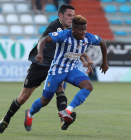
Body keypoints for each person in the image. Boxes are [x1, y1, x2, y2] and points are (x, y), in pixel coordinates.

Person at [0, 4, 92, 133]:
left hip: (57, 66)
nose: (71, 18)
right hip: (41, 64)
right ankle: (6, 119)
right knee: (23, 97)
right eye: (69, 15)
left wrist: (82, 57)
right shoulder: (56, 26)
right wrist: (39, 54)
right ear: (61, 15)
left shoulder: (71, 30)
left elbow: (72, 46)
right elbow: (44, 40)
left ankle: (64, 118)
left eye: (73, 16)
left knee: (59, 90)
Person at [24, 15, 109, 131]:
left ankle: (67, 110)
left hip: (71, 70)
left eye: (85, 29)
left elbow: (103, 42)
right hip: (56, 71)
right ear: (73, 29)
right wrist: (39, 54)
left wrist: (105, 62)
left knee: (88, 86)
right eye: (81, 30)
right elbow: (43, 39)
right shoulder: (64, 35)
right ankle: (30, 113)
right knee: (45, 101)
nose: (84, 32)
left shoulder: (88, 38)